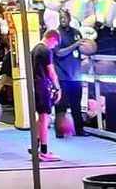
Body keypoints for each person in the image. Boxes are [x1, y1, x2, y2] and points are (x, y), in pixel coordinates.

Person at [32, 30, 63, 162]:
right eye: (54, 43)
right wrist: (57, 87)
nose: (54, 46)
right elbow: (51, 71)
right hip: (42, 86)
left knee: (41, 118)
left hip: (36, 85)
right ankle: (43, 151)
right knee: (45, 118)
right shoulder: (45, 51)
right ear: (51, 38)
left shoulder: (34, 49)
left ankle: (36, 146)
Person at [54, 10, 85, 137]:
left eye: (64, 17)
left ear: (69, 18)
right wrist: (75, 45)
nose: (63, 20)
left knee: (76, 105)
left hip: (75, 75)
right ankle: (60, 131)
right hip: (62, 75)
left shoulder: (76, 33)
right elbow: (58, 53)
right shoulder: (56, 34)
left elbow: (84, 48)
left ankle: (79, 130)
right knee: (60, 106)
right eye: (60, 18)